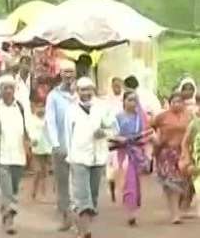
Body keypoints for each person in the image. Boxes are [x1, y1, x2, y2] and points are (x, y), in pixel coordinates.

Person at [0, 75, 34, 235]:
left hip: (18, 155)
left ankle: (5, 213)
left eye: (10, 88)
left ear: (14, 90)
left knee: (13, 189)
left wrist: (33, 139)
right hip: (1, 155)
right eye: (5, 88)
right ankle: (9, 221)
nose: (8, 91)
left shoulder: (20, 107)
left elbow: (29, 127)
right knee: (6, 190)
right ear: (0, 90)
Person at [65, 77, 115, 238]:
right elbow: (67, 134)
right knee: (82, 195)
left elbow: (113, 128)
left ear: (93, 90)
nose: (85, 93)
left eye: (88, 89)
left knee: (92, 196)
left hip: (98, 156)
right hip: (78, 156)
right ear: (77, 91)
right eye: (82, 89)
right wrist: (69, 155)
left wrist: (104, 133)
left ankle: (79, 223)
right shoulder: (71, 109)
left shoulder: (102, 108)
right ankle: (84, 231)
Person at [110, 90, 152, 226]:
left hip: (136, 152)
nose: (132, 103)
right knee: (125, 182)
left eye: (135, 100)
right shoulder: (118, 117)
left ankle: (132, 212)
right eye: (129, 100)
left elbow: (147, 134)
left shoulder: (141, 117)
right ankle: (129, 211)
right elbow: (112, 134)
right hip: (121, 153)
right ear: (124, 101)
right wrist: (120, 139)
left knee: (134, 183)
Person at [45, 59, 77, 231]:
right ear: (60, 74)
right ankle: (66, 217)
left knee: (80, 184)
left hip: (81, 147)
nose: (69, 75)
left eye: (71, 72)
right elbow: (50, 121)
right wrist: (56, 144)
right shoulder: (53, 96)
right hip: (62, 147)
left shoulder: (82, 94)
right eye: (65, 72)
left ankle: (81, 216)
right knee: (63, 184)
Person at [150, 92, 193, 224]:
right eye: (174, 102)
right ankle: (175, 214)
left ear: (183, 103)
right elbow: (149, 126)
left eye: (179, 101)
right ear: (169, 103)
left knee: (182, 183)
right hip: (166, 152)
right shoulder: (162, 116)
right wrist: (155, 138)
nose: (177, 104)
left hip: (183, 153)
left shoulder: (189, 116)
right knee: (171, 183)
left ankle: (177, 209)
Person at [30, 103, 52, 202]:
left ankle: (43, 194)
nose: (41, 109)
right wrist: (32, 140)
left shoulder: (48, 119)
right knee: (37, 171)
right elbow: (30, 132)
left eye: (42, 107)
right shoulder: (32, 119)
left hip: (47, 148)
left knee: (44, 173)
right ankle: (34, 191)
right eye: (39, 107)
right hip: (36, 149)